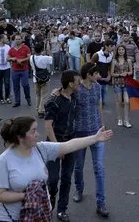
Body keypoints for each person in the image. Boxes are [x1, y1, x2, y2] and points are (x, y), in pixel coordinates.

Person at [0, 116, 113, 222]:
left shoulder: (40, 149)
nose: (37, 134)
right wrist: (28, 195)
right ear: (20, 137)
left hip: (37, 215)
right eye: (33, 131)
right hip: (12, 218)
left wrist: (95, 138)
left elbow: (68, 145)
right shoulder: (4, 160)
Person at [72, 62, 110, 217]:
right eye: (96, 74)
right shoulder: (76, 89)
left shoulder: (97, 87)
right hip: (79, 133)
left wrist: (103, 125)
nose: (99, 76)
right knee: (78, 167)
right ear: (88, 74)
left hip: (97, 133)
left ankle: (101, 203)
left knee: (99, 169)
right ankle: (79, 189)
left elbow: (98, 106)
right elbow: (63, 94)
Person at [45, 71, 80, 222]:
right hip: (55, 142)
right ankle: (51, 195)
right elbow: (48, 125)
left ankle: (62, 209)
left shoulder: (75, 97)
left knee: (66, 177)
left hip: (70, 142)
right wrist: (57, 147)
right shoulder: (55, 101)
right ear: (71, 84)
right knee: (52, 179)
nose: (79, 84)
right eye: (77, 81)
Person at [110, 44, 133, 127]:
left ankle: (127, 120)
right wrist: (120, 74)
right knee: (119, 101)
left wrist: (127, 73)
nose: (121, 51)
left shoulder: (128, 60)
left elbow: (131, 72)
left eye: (122, 50)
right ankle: (119, 118)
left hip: (127, 83)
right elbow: (112, 73)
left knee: (127, 101)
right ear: (117, 51)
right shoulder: (114, 61)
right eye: (119, 50)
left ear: (125, 51)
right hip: (117, 83)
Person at [8, 34, 32, 108]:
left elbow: (29, 57)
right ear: (14, 40)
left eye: (19, 39)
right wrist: (13, 59)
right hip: (15, 70)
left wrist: (22, 60)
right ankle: (17, 101)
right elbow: (7, 58)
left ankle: (28, 98)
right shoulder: (11, 49)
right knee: (16, 86)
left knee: (25, 85)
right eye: (16, 39)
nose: (18, 40)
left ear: (21, 40)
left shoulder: (25, 48)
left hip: (24, 69)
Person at [30, 42, 53, 118]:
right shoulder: (45, 58)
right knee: (44, 95)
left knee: (38, 94)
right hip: (44, 78)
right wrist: (48, 50)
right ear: (42, 50)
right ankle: (41, 110)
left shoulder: (31, 57)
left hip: (35, 78)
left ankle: (37, 107)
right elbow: (51, 59)